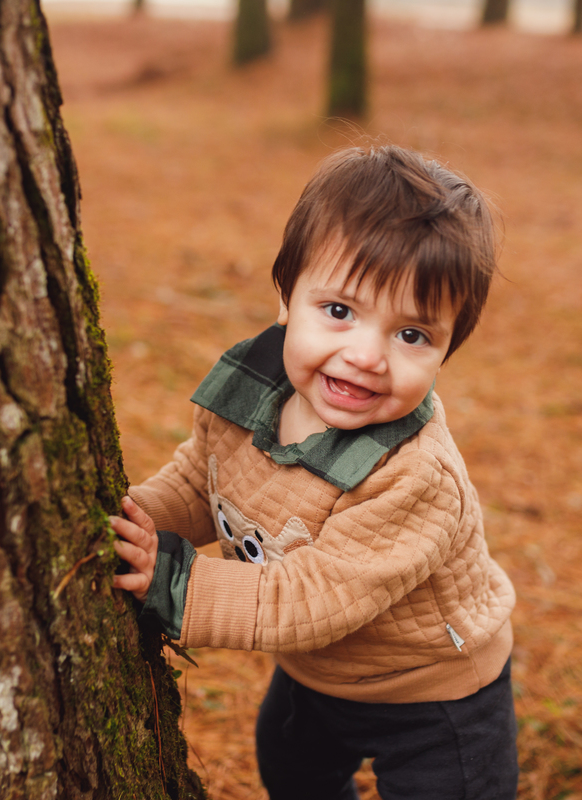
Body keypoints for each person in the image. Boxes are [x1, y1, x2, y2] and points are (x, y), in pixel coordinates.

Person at [110, 144, 518, 800]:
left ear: (447, 349)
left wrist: (175, 584)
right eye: (340, 311)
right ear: (286, 297)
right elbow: (203, 480)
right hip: (315, 675)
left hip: (434, 695)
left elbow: (315, 596)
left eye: (411, 335)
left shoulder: (416, 478)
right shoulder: (252, 390)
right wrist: (132, 521)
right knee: (292, 770)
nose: (366, 355)